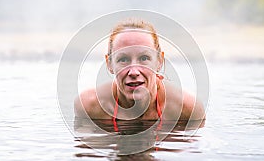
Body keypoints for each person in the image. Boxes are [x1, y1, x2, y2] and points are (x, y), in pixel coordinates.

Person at [74, 18, 205, 128]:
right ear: (109, 64)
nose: (134, 71)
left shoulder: (188, 110)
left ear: (159, 61)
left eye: (144, 58)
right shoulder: (89, 106)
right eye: (123, 59)